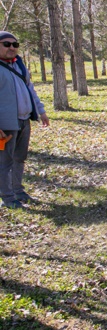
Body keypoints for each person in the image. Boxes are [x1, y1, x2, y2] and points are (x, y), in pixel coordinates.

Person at [0, 31, 50, 210]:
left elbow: (30, 89)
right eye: (6, 44)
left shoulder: (19, 65)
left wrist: (41, 111)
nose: (12, 48)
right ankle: (8, 198)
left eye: (15, 44)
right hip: (5, 124)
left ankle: (18, 192)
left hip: (23, 120)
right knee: (4, 162)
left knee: (19, 158)